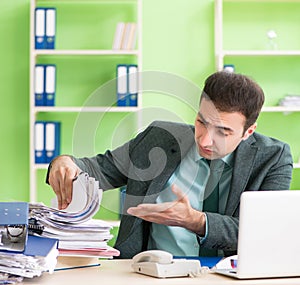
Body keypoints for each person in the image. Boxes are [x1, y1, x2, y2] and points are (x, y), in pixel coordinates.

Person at [46, 71, 293, 259]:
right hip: (150, 272)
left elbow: (263, 232)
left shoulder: (274, 158)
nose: (205, 140)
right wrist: (64, 162)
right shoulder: (159, 138)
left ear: (248, 131)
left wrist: (195, 220)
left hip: (228, 275)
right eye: (201, 122)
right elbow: (100, 169)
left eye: (224, 131)